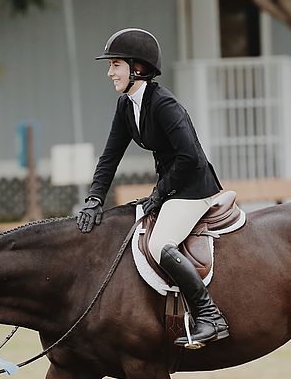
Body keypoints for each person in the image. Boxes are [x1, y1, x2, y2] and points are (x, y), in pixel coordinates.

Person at [77, 28, 229, 348]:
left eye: (115, 64)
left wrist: (160, 193)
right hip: (172, 189)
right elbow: (109, 157)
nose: (109, 72)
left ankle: (209, 316)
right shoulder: (126, 105)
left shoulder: (164, 104)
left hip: (194, 189)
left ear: (139, 69)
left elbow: (191, 157)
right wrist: (94, 198)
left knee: (160, 243)